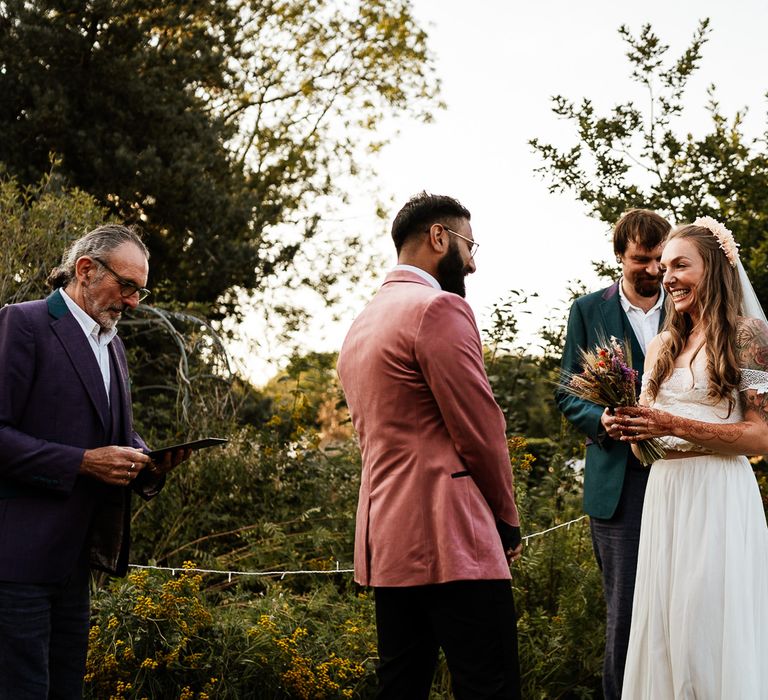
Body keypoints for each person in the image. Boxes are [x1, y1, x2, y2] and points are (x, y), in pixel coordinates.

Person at [337, 192, 523, 699]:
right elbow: (479, 428)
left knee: (401, 685)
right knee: (491, 683)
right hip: (453, 536)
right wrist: (506, 519)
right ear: (439, 237)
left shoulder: (362, 323)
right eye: (469, 245)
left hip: (389, 540)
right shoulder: (440, 307)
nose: (473, 262)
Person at [0, 224, 188, 699]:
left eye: (140, 292)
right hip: (16, 565)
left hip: (76, 563)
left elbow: (111, 432)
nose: (132, 302)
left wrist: (147, 460)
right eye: (126, 286)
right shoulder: (22, 323)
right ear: (85, 270)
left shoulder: (113, 344)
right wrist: (82, 463)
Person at [615, 218, 768, 697]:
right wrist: (633, 429)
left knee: (706, 627)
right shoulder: (662, 344)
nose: (668, 278)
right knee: (666, 629)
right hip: (666, 496)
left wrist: (674, 425)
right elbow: (650, 437)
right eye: (664, 269)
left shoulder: (750, 336)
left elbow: (762, 436)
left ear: (716, 269)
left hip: (718, 496)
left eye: (681, 265)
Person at [556, 208, 671, 699]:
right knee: (624, 612)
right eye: (641, 259)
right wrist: (600, 420)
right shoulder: (587, 310)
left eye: (661, 260)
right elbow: (567, 393)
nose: (653, 270)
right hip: (617, 484)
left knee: (677, 604)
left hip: (680, 473)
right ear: (619, 257)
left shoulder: (689, 303)